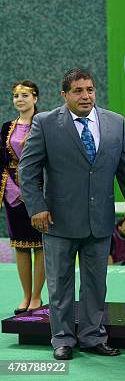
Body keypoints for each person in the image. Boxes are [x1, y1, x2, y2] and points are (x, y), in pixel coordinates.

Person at [19, 68, 125, 361]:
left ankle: (92, 337)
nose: (85, 96)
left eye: (89, 89)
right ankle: (62, 339)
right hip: (57, 221)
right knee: (59, 283)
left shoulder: (116, 123)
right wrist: (37, 207)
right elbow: (28, 170)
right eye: (77, 91)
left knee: (95, 283)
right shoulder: (45, 123)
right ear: (64, 95)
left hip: (99, 220)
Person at [0, 80, 45, 314]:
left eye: (25, 95)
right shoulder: (6, 127)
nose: (20, 99)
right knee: (20, 246)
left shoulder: (45, 124)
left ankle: (37, 296)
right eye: (16, 95)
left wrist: (36, 192)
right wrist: (13, 191)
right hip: (13, 196)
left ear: (35, 98)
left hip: (39, 194)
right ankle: (25, 296)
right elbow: (3, 162)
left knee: (40, 247)